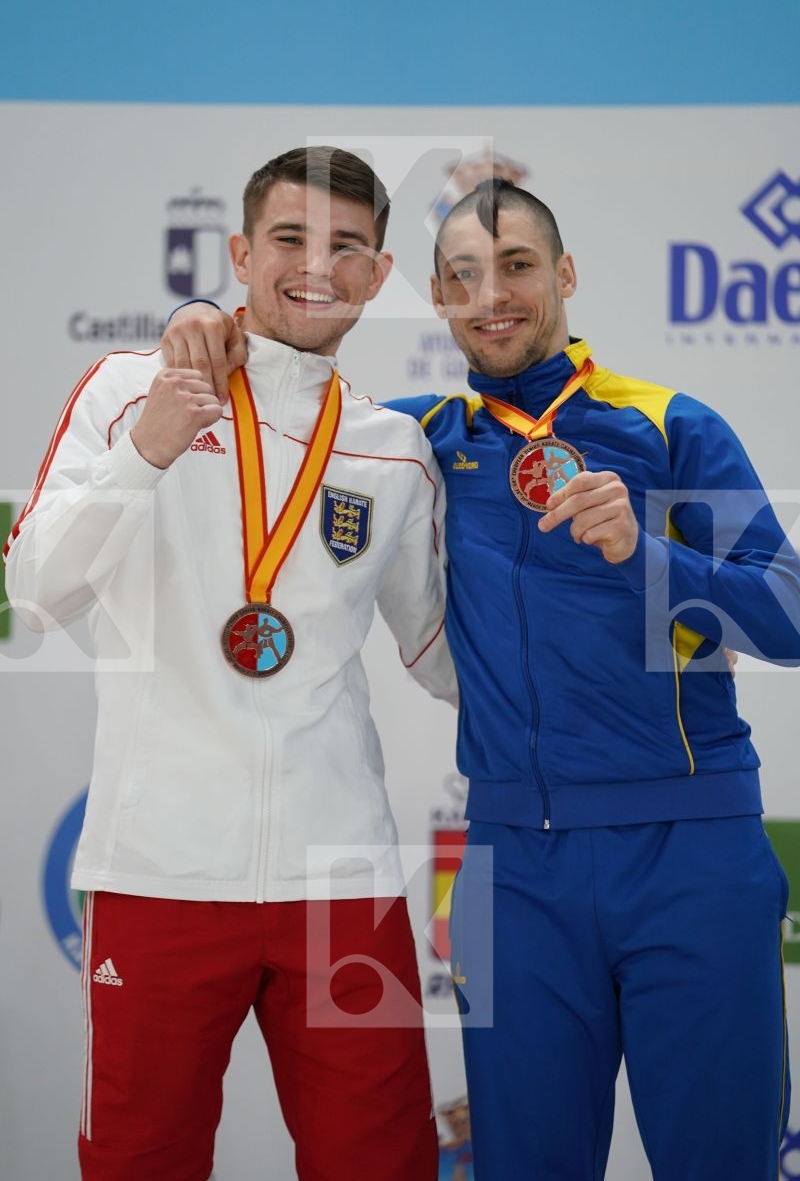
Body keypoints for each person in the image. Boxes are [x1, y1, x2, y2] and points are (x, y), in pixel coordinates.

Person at [166, 175, 800, 1180]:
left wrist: (649, 558)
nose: (490, 295)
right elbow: (278, 402)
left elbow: (787, 614)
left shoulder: (669, 426)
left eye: (514, 267)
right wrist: (206, 319)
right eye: (462, 276)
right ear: (436, 295)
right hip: (515, 872)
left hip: (691, 851)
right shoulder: (416, 439)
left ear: (565, 274)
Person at [3, 146, 459, 1181]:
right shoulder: (131, 390)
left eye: (347, 247)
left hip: (341, 881)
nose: (318, 267)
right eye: (290, 239)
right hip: (159, 873)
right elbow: (32, 593)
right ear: (241, 254)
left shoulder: (392, 449)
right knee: (139, 1165)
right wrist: (148, 450)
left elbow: (442, 654)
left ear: (379, 273)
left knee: (382, 1166)